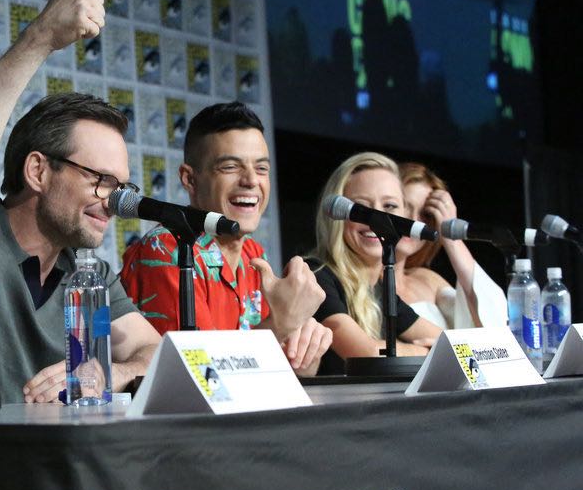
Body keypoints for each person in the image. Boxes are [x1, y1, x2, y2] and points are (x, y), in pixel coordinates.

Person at [0, 0, 160, 404]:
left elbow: (154, 350)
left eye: (120, 185)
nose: (113, 201)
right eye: (99, 179)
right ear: (38, 170)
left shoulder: (91, 276)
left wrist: (113, 371)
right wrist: (41, 38)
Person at [119, 102, 331, 376]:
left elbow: (291, 375)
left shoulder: (254, 254)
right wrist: (281, 324)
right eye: (231, 167)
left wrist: (306, 348)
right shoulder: (168, 247)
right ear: (190, 179)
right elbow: (203, 376)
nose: (251, 180)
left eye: (262, 168)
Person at [308, 152, 442, 374]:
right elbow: (367, 355)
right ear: (337, 214)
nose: (377, 218)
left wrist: (428, 349)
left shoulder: (380, 287)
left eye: (389, 206)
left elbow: (450, 345)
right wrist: (426, 352)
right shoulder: (316, 274)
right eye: (361, 207)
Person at [394, 162, 507, 329]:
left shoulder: (427, 280)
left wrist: (450, 236)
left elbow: (493, 324)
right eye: (404, 206)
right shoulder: (358, 283)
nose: (414, 221)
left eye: (426, 214)